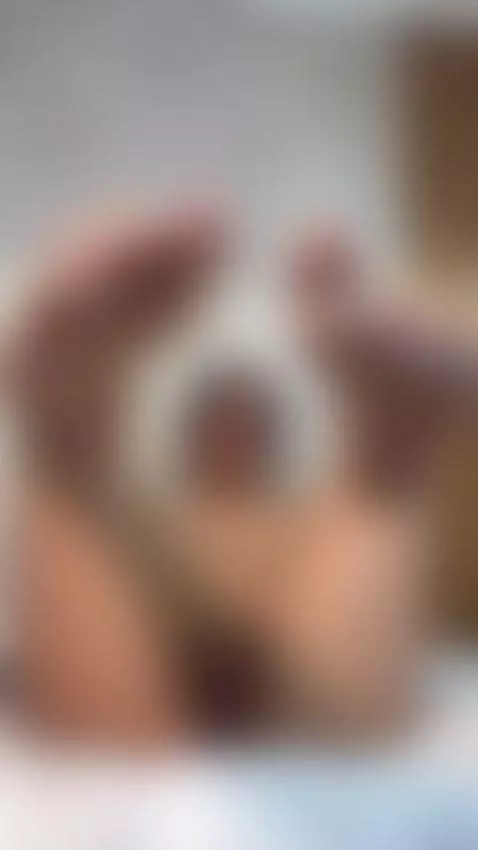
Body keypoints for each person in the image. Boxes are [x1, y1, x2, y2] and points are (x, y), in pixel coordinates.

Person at [8, 205, 476, 747]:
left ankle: (392, 442)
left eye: (246, 427)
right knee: (108, 725)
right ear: (192, 441)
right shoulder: (160, 512)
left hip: (299, 681)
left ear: (269, 445)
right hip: (140, 674)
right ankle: (70, 430)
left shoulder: (298, 518)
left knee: (340, 693)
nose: (233, 440)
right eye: (221, 426)